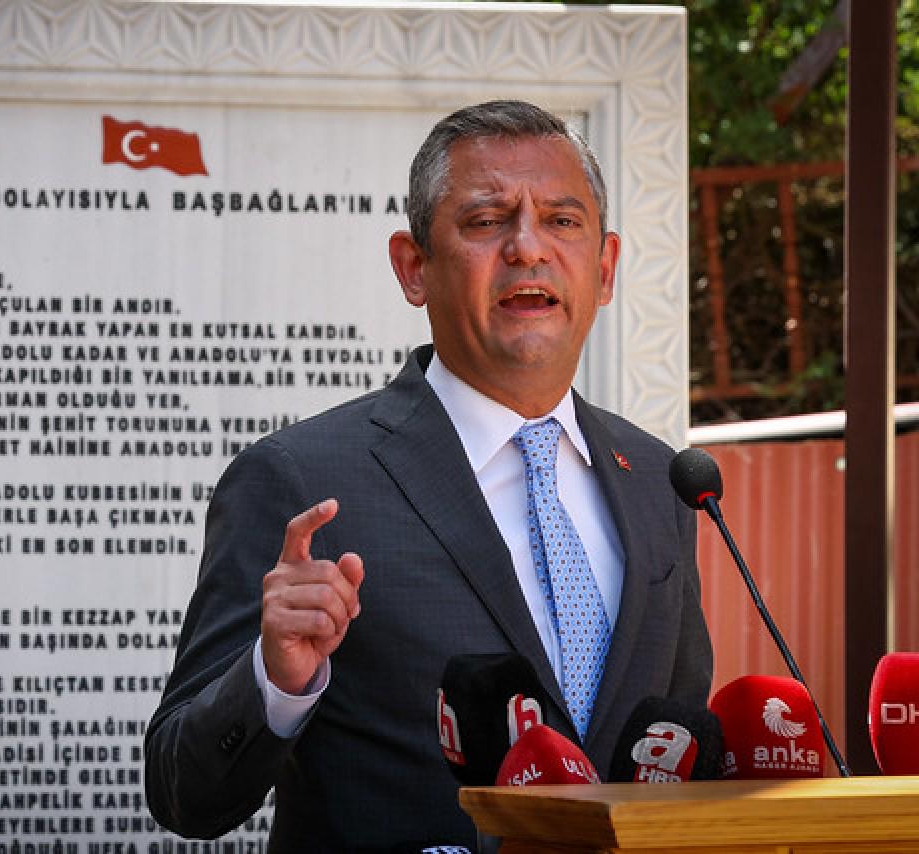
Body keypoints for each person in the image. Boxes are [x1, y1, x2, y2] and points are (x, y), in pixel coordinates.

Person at [144, 100, 713, 851]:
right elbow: (182, 793)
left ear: (604, 269)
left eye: (561, 220)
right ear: (415, 268)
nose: (528, 248)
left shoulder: (661, 481)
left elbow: (674, 741)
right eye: (487, 220)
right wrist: (274, 680)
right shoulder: (298, 480)